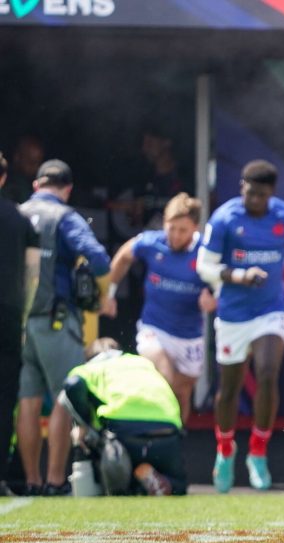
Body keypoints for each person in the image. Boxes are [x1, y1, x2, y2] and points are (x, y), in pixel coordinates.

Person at [197, 159, 284, 493]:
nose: (254, 200)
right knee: (229, 388)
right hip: (233, 312)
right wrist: (238, 275)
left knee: (267, 372)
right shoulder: (225, 218)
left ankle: (258, 452)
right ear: (241, 188)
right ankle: (226, 449)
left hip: (271, 309)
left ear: (271, 193)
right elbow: (205, 266)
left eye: (260, 195)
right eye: (249, 193)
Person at [17, 159, 111, 496]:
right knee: (63, 398)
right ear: (67, 189)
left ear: (36, 185)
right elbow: (97, 257)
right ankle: (55, 481)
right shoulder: (65, 216)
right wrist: (105, 293)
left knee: (27, 400)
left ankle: (30, 480)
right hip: (56, 320)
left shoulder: (17, 212)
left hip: (19, 323)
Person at [102, 193, 215, 424]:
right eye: (171, 228)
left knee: (181, 394)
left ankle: (174, 442)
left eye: (182, 230)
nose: (174, 235)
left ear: (195, 227)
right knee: (164, 378)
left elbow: (224, 285)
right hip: (154, 329)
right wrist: (109, 294)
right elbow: (124, 256)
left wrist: (213, 298)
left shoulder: (207, 251)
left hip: (189, 336)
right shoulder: (152, 242)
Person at [58, 338, 188, 496]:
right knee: (178, 487)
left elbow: (73, 384)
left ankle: (133, 486)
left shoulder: (91, 368)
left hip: (125, 437)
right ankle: (160, 483)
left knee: (118, 485)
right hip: (168, 432)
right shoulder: (141, 363)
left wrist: (86, 424)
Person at [0, 152, 41, 495]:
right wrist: (23, 318)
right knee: (4, 399)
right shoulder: (20, 219)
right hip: (8, 319)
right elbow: (32, 276)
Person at [2, 136, 44, 204]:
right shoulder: (11, 184)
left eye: (39, 162)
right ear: (17, 157)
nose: (36, 167)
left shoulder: (34, 182)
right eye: (31, 162)